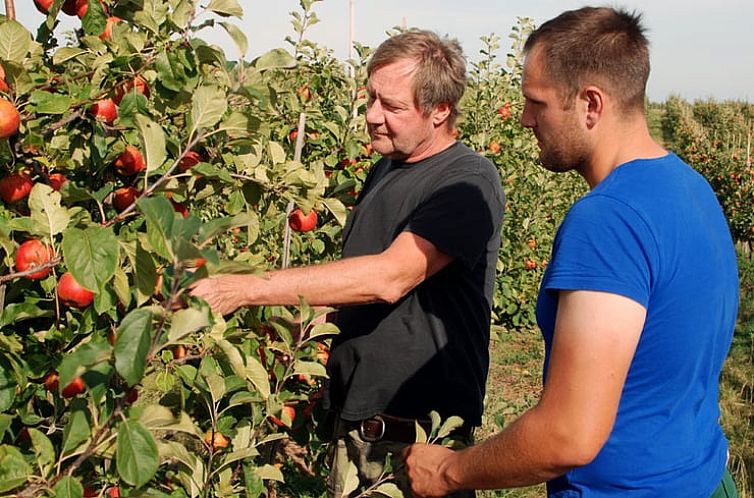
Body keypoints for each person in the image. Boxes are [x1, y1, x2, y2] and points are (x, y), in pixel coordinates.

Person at [404, 7, 739, 498]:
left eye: (536, 102)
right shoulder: (690, 187)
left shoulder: (608, 221)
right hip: (701, 476)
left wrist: (449, 470)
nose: (523, 119)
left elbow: (568, 435)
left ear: (590, 104)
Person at [190, 30, 505, 497]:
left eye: (392, 106)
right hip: (360, 420)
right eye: (371, 97)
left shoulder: (468, 181)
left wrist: (243, 289)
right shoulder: (389, 166)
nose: (373, 116)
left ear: (440, 110)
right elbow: (360, 283)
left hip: (414, 437)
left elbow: (390, 277)